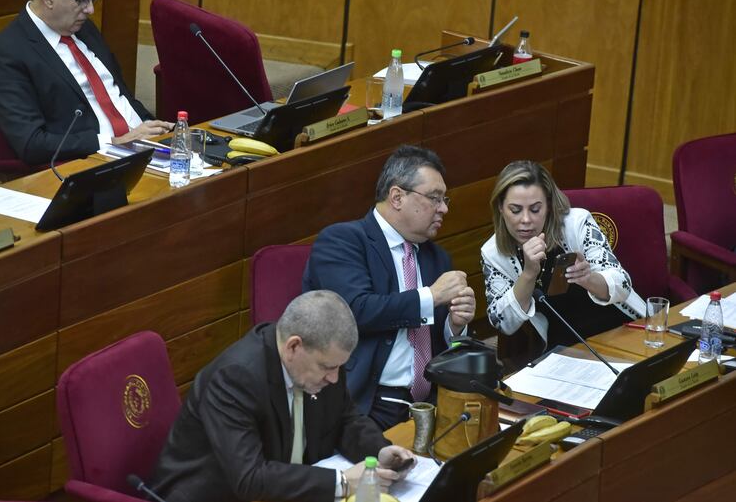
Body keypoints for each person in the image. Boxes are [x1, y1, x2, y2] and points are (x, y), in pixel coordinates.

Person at [150, 290, 415, 502]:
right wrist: (342, 482)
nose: (334, 378)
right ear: (294, 346)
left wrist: (378, 450)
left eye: (339, 367)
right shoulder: (235, 379)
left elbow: (345, 419)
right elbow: (250, 479)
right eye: (327, 367)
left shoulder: (320, 362)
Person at [302, 145, 476, 430]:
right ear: (397, 197)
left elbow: (445, 343)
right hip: (365, 406)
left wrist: (455, 326)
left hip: (430, 404)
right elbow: (356, 311)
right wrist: (431, 296)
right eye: (434, 198)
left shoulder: (437, 257)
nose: (443, 208)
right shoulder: (343, 241)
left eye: (445, 199)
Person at [0, 0, 173, 166]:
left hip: (146, 145)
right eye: (81, 0)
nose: (90, 9)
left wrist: (155, 127)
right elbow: (32, 143)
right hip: (98, 162)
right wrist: (116, 141)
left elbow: (119, 94)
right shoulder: (7, 52)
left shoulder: (83, 28)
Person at [481, 160, 644, 367]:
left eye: (535, 209)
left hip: (619, 327)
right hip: (564, 345)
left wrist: (589, 279)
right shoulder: (493, 253)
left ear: (548, 206)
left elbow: (623, 285)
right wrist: (529, 274)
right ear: (500, 209)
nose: (526, 220)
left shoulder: (577, 223)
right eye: (515, 210)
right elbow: (504, 323)